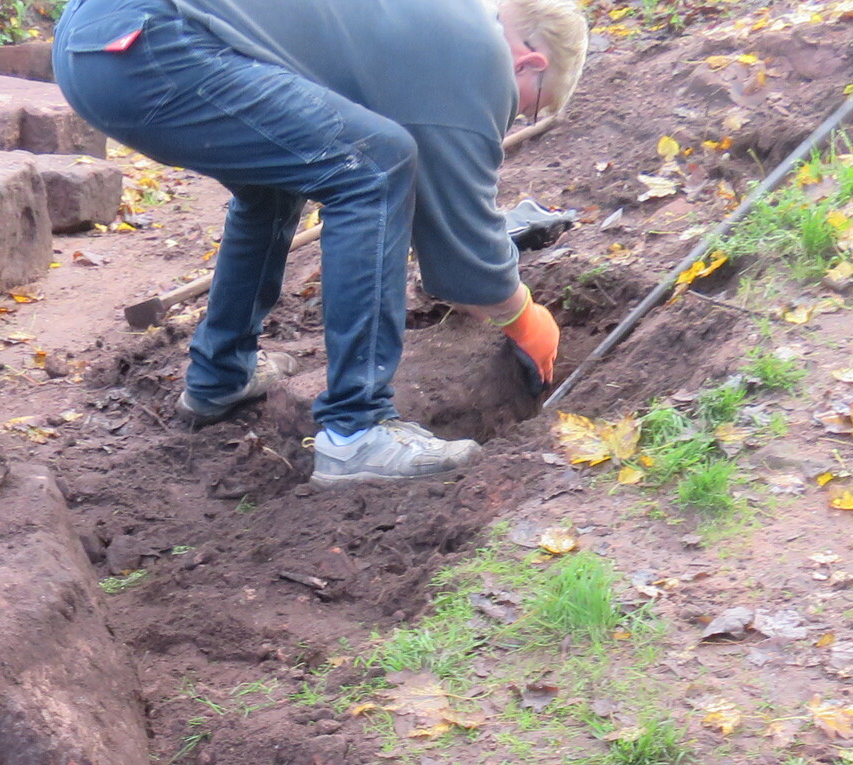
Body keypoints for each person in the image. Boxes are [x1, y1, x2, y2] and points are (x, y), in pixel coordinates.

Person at [54, 0, 584, 485]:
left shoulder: (441, 18)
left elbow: (445, 227)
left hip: (99, 37)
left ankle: (221, 373)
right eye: (532, 107)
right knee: (375, 166)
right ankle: (357, 431)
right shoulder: (483, 55)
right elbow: (464, 257)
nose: (515, 117)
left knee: (283, 177)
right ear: (529, 63)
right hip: (149, 48)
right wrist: (524, 318)